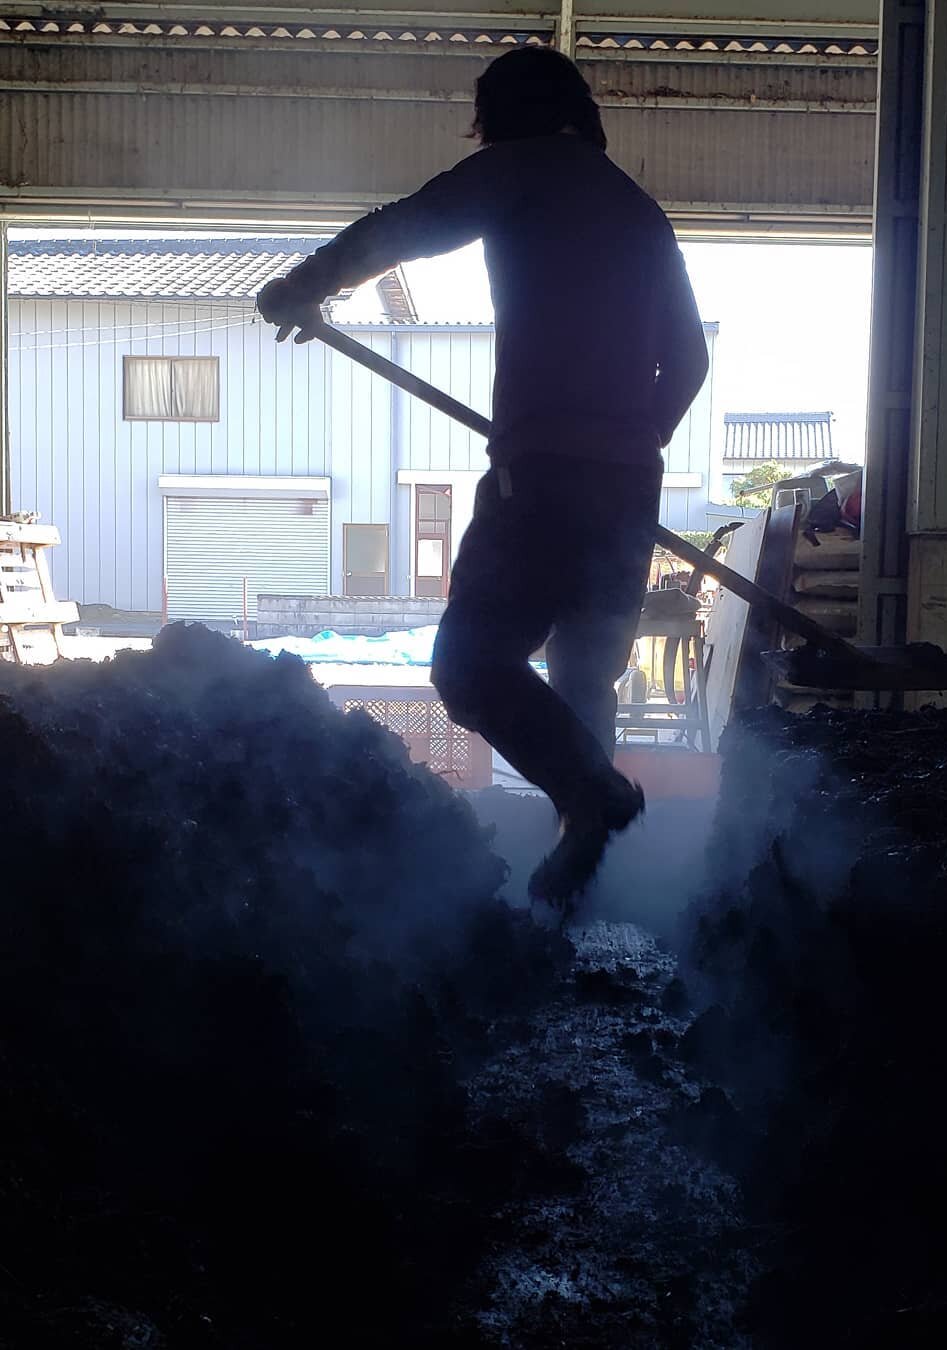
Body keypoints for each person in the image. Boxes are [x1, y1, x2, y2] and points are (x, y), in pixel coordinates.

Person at [258, 46, 708, 911]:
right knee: (584, 679)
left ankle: (590, 798)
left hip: (541, 478)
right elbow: (685, 357)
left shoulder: (521, 169)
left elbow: (406, 226)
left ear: (500, 116)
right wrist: (627, 439)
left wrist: (304, 285)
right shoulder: (637, 209)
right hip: (625, 488)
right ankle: (583, 895)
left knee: (468, 666)